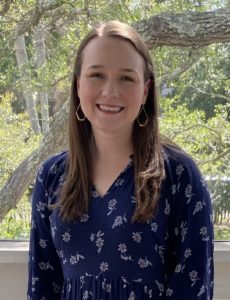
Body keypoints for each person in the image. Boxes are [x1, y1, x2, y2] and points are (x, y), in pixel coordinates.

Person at [27, 21, 214, 300]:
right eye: (97, 75)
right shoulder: (52, 175)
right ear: (78, 86)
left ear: (146, 90)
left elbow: (193, 288)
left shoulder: (179, 176)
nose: (110, 92)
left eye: (126, 78)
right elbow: (42, 286)